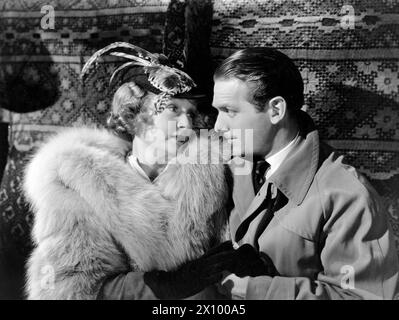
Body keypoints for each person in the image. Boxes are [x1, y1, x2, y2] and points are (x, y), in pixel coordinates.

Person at [23, 43, 240, 300]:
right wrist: (160, 285)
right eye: (172, 109)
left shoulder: (207, 179)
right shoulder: (80, 184)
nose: (187, 124)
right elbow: (67, 290)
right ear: (136, 114)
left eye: (191, 114)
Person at [210, 47, 399, 299]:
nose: (217, 126)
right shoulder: (232, 167)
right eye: (217, 111)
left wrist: (257, 291)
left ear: (276, 110)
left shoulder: (347, 196)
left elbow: (364, 296)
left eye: (229, 111)